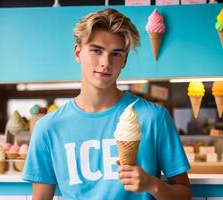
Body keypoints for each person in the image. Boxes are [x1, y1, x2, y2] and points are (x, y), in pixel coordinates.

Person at [22, 8, 192, 200]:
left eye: (116, 54)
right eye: (96, 50)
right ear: (78, 53)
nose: (106, 62)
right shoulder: (48, 128)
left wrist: (153, 185)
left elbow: (185, 194)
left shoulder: (154, 118)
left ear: (125, 60)